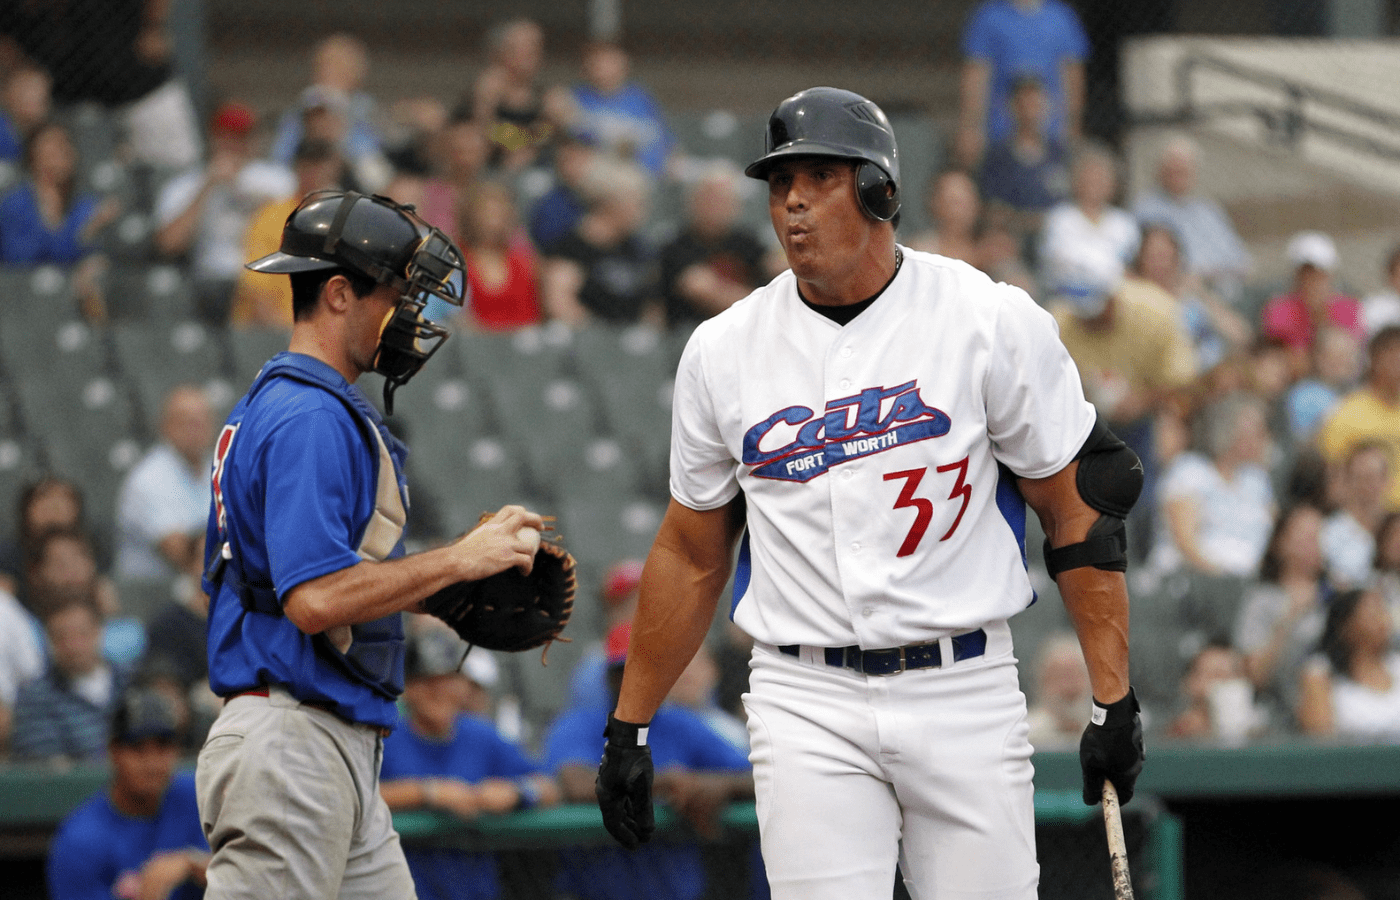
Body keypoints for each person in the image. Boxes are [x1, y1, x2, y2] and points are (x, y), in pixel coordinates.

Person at [593, 87, 1144, 900]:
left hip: (962, 683)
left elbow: (1076, 511)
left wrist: (1113, 700)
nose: (794, 204)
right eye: (781, 185)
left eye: (819, 177)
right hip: (804, 692)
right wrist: (630, 725)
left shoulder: (986, 319)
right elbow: (691, 547)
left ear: (881, 190)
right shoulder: (723, 350)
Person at [195, 189, 546, 900]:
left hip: (329, 740)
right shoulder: (308, 417)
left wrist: (435, 595)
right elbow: (315, 598)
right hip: (291, 739)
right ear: (336, 294)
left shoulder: (298, 402)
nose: (411, 316)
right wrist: (456, 560)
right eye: (396, 293)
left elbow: (323, 583)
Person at [551, 621, 755, 900]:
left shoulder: (682, 724)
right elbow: (577, 784)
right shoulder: (580, 724)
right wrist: (663, 782)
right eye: (626, 670)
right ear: (610, 676)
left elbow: (758, 776)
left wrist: (717, 785)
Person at [379, 629, 560, 900]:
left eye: (450, 681)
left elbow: (550, 787)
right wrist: (428, 792)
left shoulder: (481, 735)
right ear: (408, 688)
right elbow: (351, 798)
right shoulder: (385, 737)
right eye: (428, 682)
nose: (441, 692)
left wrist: (519, 792)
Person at [46, 688, 209, 900]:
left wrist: (192, 863)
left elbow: (250, 870)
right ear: (113, 753)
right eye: (137, 748)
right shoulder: (80, 840)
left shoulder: (196, 797)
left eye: (163, 746)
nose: (152, 763)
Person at [153, 102, 295, 325]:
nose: (233, 144)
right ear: (213, 138)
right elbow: (168, 245)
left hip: (265, 282)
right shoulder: (185, 185)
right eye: (226, 136)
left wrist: (245, 191)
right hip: (211, 282)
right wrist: (208, 186)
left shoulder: (277, 180)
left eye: (241, 137)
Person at [1149, 392, 1276, 579]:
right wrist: (1223, 580)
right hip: (1188, 579)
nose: (1262, 437)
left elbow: (1266, 543)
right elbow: (1185, 542)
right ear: (1227, 430)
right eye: (1254, 430)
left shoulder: (1258, 481)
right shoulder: (1188, 470)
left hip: (1241, 587)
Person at [955, 0, 1089, 170]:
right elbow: (975, 78)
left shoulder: (1062, 17)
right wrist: (970, 128)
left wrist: (1073, 126)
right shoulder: (988, 16)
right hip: (1000, 132)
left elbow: (1073, 79)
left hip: (1051, 133)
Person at [228, 137, 346, 329]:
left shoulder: (339, 223)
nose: (316, 173)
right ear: (298, 167)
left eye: (322, 165)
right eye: (309, 164)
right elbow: (257, 290)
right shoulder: (271, 217)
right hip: (267, 333)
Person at [11, 585, 131, 761]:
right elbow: (50, 771)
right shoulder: (34, 697)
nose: (73, 646)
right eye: (61, 637)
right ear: (47, 640)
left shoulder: (132, 680)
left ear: (99, 631)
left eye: (82, 634)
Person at [1233, 503, 1329, 719]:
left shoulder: (1340, 596)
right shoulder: (1262, 600)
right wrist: (1288, 618)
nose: (1313, 545)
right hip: (1282, 709)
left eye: (1318, 537)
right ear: (1280, 542)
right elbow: (1255, 677)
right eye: (1304, 537)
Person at [1131, 135, 1253, 304]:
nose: (1179, 176)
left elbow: (1242, 262)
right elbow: (1160, 265)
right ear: (1159, 172)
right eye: (1173, 170)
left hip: (1229, 293)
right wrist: (1207, 276)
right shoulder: (1146, 209)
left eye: (1185, 170)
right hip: (1182, 296)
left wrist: (1213, 274)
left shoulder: (1208, 210)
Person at [540, 158, 660, 326]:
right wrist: (601, 339)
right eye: (636, 202)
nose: (642, 211)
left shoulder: (637, 249)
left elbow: (651, 308)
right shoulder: (572, 247)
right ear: (608, 203)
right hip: (591, 344)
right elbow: (559, 303)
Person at [115, 385, 216, 582]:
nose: (197, 428)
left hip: (206, 583)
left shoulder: (219, 465)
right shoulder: (147, 479)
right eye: (187, 421)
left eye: (203, 420)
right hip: (154, 595)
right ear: (165, 426)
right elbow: (181, 553)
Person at [659, 162, 774, 329]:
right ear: (692, 202)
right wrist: (760, 305)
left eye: (723, 200)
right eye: (708, 198)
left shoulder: (746, 241)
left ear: (736, 206)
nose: (715, 207)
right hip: (692, 335)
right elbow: (700, 290)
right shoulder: (675, 246)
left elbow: (774, 268)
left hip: (743, 334)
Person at [0, 120, 119, 266]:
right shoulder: (16, 205)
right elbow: (20, 260)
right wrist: (85, 233)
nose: (64, 152)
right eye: (53, 147)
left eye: (66, 145)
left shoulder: (85, 205)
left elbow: (98, 256)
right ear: (33, 155)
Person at [1297, 588, 1400, 742]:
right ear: (1345, 626)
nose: (1383, 621)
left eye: (1383, 612)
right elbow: (1319, 737)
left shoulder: (1396, 664)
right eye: (1373, 614)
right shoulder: (1320, 672)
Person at [977, 73, 1070, 241]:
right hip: (1013, 242)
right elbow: (993, 212)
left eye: (1035, 103)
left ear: (1048, 106)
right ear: (1011, 106)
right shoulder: (996, 157)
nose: (1030, 110)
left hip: (1060, 242)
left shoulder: (1062, 154)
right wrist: (1034, 221)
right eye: (1023, 103)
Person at [566, 40, 676, 179]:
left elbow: (666, 140)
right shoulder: (575, 98)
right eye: (598, 62)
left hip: (651, 173)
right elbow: (546, 134)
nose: (605, 68)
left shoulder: (640, 97)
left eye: (611, 62)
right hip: (605, 173)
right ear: (586, 67)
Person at [1260, 231, 1363, 378]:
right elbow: (1285, 360)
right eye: (1306, 272)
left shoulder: (1350, 307)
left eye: (1319, 273)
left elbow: (1350, 357)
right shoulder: (1278, 309)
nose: (1312, 279)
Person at [1318, 324, 1400, 509]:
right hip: (1373, 518)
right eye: (1394, 356)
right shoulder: (1347, 412)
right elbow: (1333, 484)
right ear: (1375, 360)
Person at [1321, 441, 1392, 589]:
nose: (1367, 486)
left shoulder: (1394, 531)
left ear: (1387, 481)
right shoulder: (1329, 532)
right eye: (1360, 478)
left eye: (1373, 477)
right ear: (1347, 480)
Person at [1024, 631, 1093, 750]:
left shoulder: (1113, 731)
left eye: (1075, 676)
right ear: (1041, 682)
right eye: (1059, 677)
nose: (1068, 688)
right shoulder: (1023, 735)